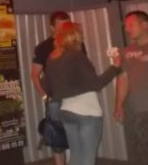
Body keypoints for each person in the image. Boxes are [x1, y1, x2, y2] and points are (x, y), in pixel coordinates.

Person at [43, 21, 122, 165]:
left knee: (76, 157)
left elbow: (47, 87)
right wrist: (115, 66)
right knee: (87, 159)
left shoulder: (51, 57)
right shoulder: (76, 55)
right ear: (76, 36)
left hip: (66, 111)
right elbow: (96, 84)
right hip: (87, 111)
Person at [113, 10, 148, 165]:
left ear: (145, 25)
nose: (127, 29)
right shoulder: (126, 51)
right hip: (137, 113)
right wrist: (119, 105)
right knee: (146, 155)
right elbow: (123, 78)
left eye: (131, 25)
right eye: (126, 26)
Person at [31, 11, 73, 165]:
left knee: (76, 134)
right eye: (61, 26)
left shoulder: (76, 44)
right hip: (55, 98)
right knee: (57, 140)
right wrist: (44, 96)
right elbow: (35, 74)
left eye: (67, 26)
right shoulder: (44, 47)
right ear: (52, 27)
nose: (64, 30)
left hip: (76, 97)